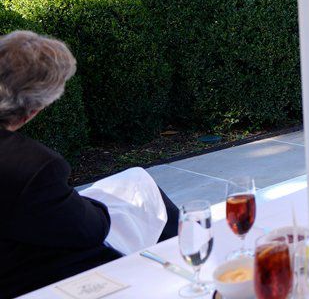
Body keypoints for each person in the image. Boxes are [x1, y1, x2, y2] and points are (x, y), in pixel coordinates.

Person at [0, 31, 180, 296]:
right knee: (138, 198)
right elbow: (89, 230)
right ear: (33, 110)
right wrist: (85, 204)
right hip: (23, 276)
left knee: (134, 182)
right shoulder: (32, 167)